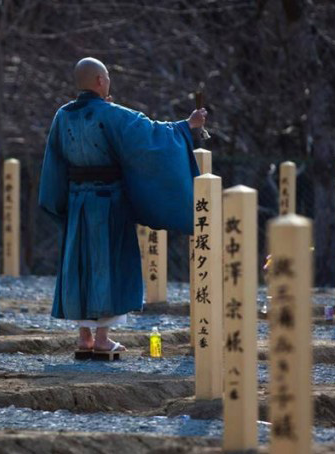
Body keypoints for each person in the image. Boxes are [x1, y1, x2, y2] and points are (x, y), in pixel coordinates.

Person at [39, 57, 207, 353]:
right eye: (107, 78)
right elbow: (152, 136)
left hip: (78, 202)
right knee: (108, 265)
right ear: (101, 81)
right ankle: (102, 340)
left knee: (81, 265)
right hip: (108, 203)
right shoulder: (110, 113)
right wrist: (187, 127)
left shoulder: (62, 115)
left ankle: (84, 339)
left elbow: (54, 163)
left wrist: (58, 204)